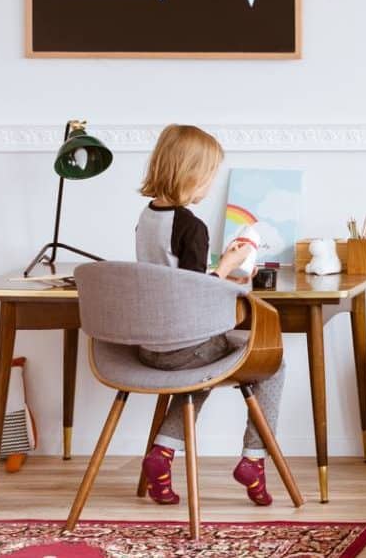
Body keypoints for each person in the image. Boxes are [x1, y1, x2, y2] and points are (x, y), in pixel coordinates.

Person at [133, 124, 284, 506]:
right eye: (209, 175)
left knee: (202, 369)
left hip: (150, 347)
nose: (211, 185)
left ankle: (162, 454)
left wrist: (218, 272)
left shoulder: (147, 218)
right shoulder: (191, 226)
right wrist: (230, 265)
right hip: (185, 346)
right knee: (271, 361)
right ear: (191, 174)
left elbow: (176, 278)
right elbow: (196, 295)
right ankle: (254, 459)